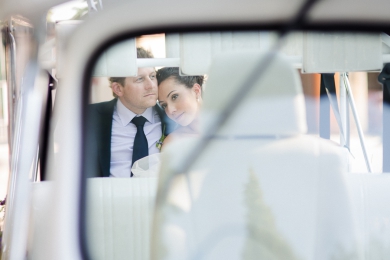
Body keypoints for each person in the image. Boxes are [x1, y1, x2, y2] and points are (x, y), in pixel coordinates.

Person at [86, 47, 173, 178]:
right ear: (118, 89)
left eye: (152, 76)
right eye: (140, 79)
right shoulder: (89, 117)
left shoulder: (172, 116)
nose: (151, 85)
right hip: (107, 196)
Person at [156, 67, 204, 147]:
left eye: (174, 97)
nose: (170, 110)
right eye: (164, 105)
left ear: (196, 91)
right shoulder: (173, 143)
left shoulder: (229, 126)